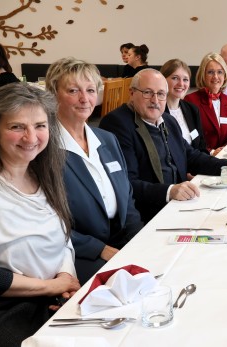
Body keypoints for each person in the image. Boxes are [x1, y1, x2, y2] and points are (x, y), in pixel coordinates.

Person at [0, 84, 80, 346]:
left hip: (51, 293)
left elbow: (62, 238)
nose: (31, 138)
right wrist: (51, 287)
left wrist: (66, 281)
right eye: (17, 127)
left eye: (40, 125)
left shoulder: (44, 170)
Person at [99, 69, 227, 222]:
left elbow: (190, 155)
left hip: (181, 203)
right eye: (147, 93)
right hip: (150, 212)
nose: (155, 100)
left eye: (161, 94)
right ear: (132, 93)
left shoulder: (168, 121)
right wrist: (170, 191)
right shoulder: (117, 124)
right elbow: (125, 183)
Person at [45, 57, 144, 284]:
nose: (84, 98)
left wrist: (138, 238)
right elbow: (47, 221)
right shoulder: (45, 149)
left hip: (119, 242)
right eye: (73, 90)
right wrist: (99, 249)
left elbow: (126, 198)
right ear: (53, 95)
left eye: (90, 90)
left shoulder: (106, 140)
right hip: (77, 252)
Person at [183, 53, 227, 153]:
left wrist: (224, 150)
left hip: (226, 155)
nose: (215, 77)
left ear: (225, 75)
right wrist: (212, 152)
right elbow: (192, 137)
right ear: (203, 75)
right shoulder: (190, 100)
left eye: (220, 72)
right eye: (210, 72)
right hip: (203, 158)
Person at [160, 59, 209, 154]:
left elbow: (201, 147)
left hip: (195, 165)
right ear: (163, 80)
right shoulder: (157, 113)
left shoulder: (192, 110)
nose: (181, 84)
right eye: (175, 78)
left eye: (185, 79)